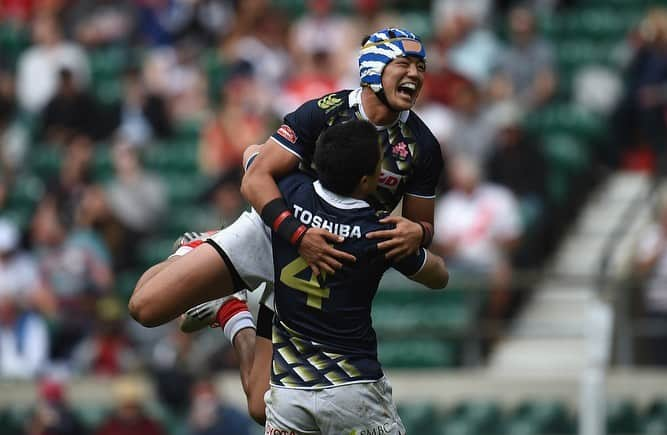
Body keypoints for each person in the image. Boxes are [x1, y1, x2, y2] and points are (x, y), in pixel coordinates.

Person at [130, 28, 443, 423]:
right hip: (277, 232)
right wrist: (297, 234)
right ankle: (204, 246)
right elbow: (254, 173)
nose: (415, 73)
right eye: (405, 63)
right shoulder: (325, 111)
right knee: (145, 308)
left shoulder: (423, 145)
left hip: (323, 265)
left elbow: (423, 227)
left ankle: (230, 313)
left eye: (421, 66)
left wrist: (419, 233)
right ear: (373, 67)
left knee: (261, 408)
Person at [264, 120, 448, 434]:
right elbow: (439, 276)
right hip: (353, 390)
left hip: (288, 390)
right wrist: (418, 233)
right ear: (367, 181)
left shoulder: (289, 191)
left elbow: (253, 159)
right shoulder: (379, 233)